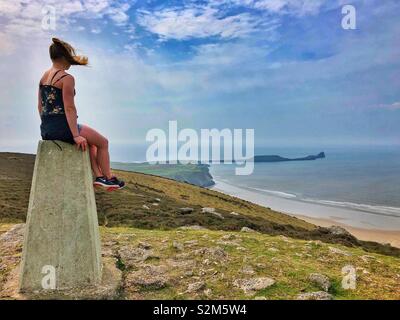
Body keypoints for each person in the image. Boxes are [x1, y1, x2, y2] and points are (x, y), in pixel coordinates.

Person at [38, 38, 125, 191]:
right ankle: (109, 177)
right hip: (64, 128)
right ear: (65, 58)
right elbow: (70, 108)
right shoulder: (66, 78)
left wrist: (49, 127)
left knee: (90, 142)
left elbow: (40, 106)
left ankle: (100, 177)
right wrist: (75, 135)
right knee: (103, 142)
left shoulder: (43, 77)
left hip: (46, 129)